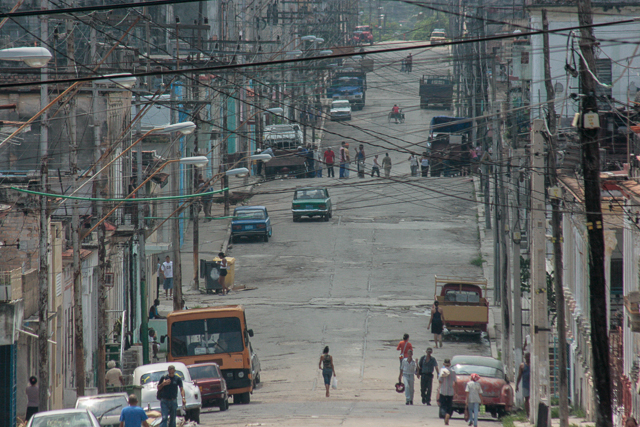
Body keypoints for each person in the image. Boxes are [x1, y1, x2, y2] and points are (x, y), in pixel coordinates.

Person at [439, 359, 457, 425]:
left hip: (443, 391)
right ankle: (448, 414)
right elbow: (456, 382)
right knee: (449, 405)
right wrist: (456, 392)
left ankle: (445, 414)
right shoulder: (453, 372)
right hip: (450, 391)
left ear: (444, 364)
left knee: (443, 405)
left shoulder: (442, 371)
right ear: (450, 364)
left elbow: (440, 381)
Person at [516, 352, 531, 417]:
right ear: (525, 358)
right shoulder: (522, 366)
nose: (528, 358)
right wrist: (517, 385)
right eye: (527, 357)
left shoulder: (533, 365)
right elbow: (519, 376)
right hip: (525, 384)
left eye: (529, 357)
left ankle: (532, 412)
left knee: (532, 399)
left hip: (532, 385)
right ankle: (528, 413)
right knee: (526, 399)